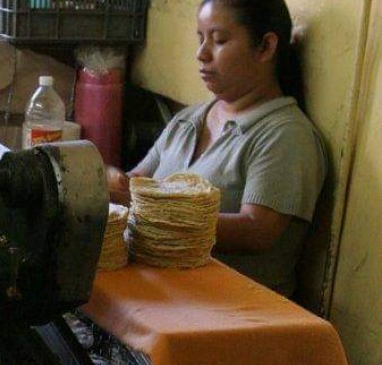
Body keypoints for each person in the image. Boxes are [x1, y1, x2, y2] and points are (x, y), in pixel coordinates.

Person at [108, 0, 327, 298]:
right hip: (164, 293)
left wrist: (147, 208)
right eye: (200, 39)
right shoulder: (189, 119)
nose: (202, 53)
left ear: (265, 47)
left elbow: (256, 232)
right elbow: (135, 182)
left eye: (219, 40)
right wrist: (109, 182)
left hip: (234, 312)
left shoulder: (286, 135)